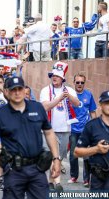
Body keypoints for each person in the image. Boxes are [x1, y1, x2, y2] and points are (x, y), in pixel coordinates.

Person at [0, 77, 61, 199]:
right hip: (13, 171)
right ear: (7, 92)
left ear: (24, 89)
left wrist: (56, 159)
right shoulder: (0, 115)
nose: (17, 92)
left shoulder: (37, 108)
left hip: (37, 169)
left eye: (20, 89)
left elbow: (49, 133)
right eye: (13, 89)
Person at [40, 61, 80, 191]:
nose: (54, 77)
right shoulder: (46, 90)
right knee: (51, 156)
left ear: (62, 78)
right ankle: (54, 183)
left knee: (59, 157)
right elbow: (45, 106)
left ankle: (51, 182)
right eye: (52, 75)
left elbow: (77, 104)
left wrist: (69, 97)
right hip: (49, 130)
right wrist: (59, 98)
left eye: (57, 76)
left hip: (65, 130)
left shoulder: (69, 90)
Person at [74, 90, 109, 190]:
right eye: (108, 103)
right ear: (100, 105)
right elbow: (77, 152)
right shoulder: (92, 126)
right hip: (100, 180)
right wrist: (96, 149)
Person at [68, 73, 97, 187]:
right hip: (73, 129)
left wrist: (95, 127)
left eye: (82, 82)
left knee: (87, 155)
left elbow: (93, 111)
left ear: (84, 83)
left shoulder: (88, 95)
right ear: (74, 82)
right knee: (73, 154)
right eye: (78, 82)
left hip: (86, 129)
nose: (80, 84)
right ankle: (74, 176)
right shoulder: (70, 95)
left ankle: (86, 179)